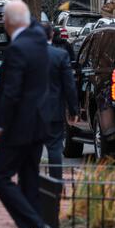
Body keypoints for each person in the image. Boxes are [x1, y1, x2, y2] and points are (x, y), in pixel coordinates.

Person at [0, 0, 51, 228]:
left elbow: (11, 93)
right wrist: (20, 3)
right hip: (38, 125)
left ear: (9, 22)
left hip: (18, 127)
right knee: (29, 182)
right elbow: (33, 23)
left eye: (4, 17)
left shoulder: (17, 49)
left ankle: (36, 226)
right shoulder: (38, 39)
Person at [42, 23, 79, 179]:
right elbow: (69, 86)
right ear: (52, 35)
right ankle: (55, 184)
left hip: (29, 111)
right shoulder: (60, 55)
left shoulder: (24, 54)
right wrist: (73, 110)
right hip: (53, 109)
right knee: (55, 147)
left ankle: (29, 185)